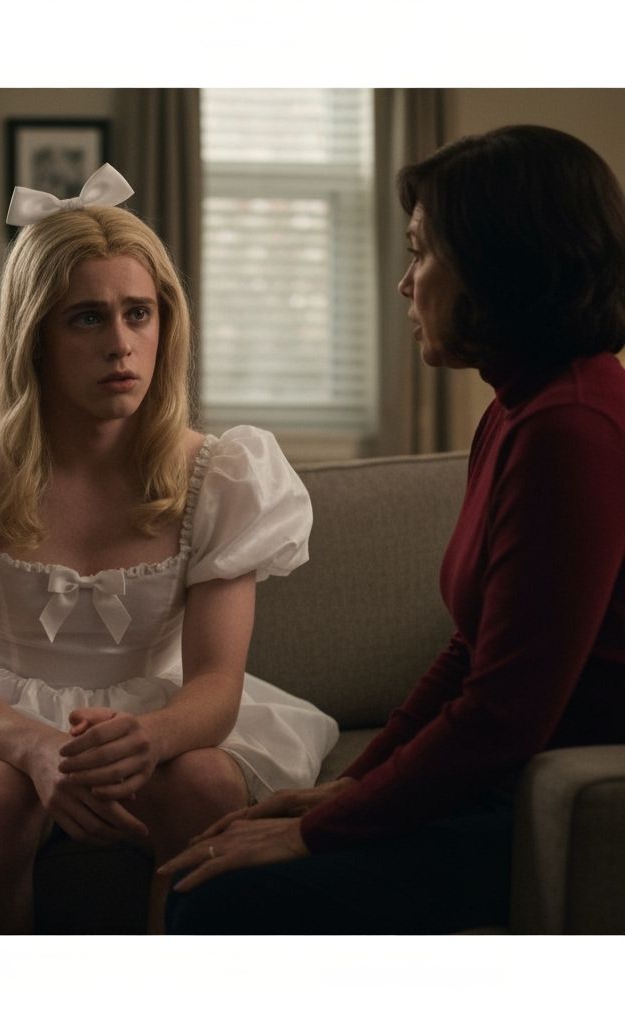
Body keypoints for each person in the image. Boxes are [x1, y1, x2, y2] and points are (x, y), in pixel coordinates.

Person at [0, 165, 338, 933]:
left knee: (209, 786)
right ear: (36, 338)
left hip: (160, 710)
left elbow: (217, 683)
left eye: (139, 314)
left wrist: (147, 740)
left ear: (165, 324)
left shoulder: (223, 474)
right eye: (86, 318)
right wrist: (37, 748)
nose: (121, 344)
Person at [162, 125, 625, 934]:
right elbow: (468, 649)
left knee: (221, 894)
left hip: (544, 798)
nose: (406, 284)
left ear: (498, 260)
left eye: (422, 252)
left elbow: (506, 712)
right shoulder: (518, 409)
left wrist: (317, 832)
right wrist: (350, 784)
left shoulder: (573, 428)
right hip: (495, 779)